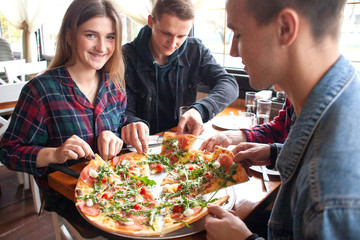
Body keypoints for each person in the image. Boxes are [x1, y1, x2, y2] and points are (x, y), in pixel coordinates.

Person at [205, 0, 360, 239]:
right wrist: (274, 153)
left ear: (285, 28)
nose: (234, 50)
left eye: (238, 34)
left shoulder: (328, 189)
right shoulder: (337, 90)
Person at [0, 0, 127, 238]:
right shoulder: (40, 90)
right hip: (69, 196)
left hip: (116, 189)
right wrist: (54, 154)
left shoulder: (115, 85)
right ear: (69, 36)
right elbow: (8, 151)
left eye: (110, 37)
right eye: (91, 35)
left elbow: (120, 122)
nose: (102, 47)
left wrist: (116, 134)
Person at [121, 0, 239, 153]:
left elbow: (229, 83)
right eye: (166, 33)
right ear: (151, 22)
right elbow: (120, 110)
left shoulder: (195, 50)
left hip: (183, 148)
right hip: (139, 149)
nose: (173, 43)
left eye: (181, 36)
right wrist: (131, 122)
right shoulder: (125, 57)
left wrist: (199, 110)